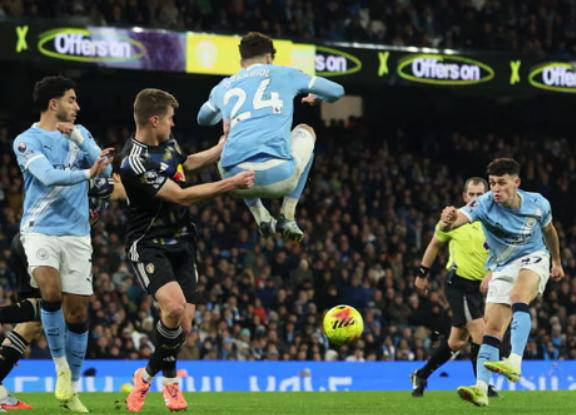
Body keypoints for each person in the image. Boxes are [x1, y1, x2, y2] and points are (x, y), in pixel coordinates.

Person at [119, 88, 254, 413]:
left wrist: (220, 148)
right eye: (170, 118)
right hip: (149, 244)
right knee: (174, 308)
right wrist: (230, 184)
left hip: (183, 242)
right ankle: (170, 383)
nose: (173, 124)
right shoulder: (134, 162)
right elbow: (181, 195)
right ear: (154, 120)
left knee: (184, 326)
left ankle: (145, 375)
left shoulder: (167, 143)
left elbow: (186, 164)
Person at [12, 75, 114, 412]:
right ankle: (60, 370)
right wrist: (87, 173)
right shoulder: (26, 140)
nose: (77, 106)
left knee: (78, 312)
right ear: (53, 104)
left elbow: (107, 170)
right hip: (39, 229)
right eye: (72, 100)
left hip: (77, 233)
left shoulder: (80, 135)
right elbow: (47, 176)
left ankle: (73, 387)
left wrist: (83, 142)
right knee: (50, 291)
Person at [439, 158, 564, 407]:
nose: (496, 189)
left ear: (516, 183)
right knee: (492, 330)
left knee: (518, 296)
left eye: (502, 183)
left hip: (534, 257)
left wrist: (557, 263)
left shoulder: (538, 203)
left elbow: (549, 232)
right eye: (493, 183)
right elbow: (458, 218)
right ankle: (481, 389)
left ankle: (514, 361)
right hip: (502, 265)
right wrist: (449, 217)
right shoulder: (484, 204)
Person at [197, 32, 345, 241]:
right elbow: (337, 91)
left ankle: (261, 215)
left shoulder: (223, 87)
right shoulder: (286, 73)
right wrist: (317, 96)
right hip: (279, 178)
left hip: (235, 182)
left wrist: (223, 113)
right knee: (306, 130)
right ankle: (288, 215)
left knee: (223, 141)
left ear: (241, 62)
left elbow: (203, 119)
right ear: (269, 58)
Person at [0, 177, 122, 411]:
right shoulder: (80, 178)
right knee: (54, 306)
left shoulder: (104, 189)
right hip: (38, 245)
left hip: (41, 247)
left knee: (33, 323)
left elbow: (123, 189)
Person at [411, 177, 498, 397]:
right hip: (459, 285)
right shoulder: (454, 219)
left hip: (480, 288)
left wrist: (492, 272)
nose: (476, 198)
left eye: (480, 194)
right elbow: (434, 245)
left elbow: (501, 250)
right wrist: (422, 273)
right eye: (472, 194)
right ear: (464, 196)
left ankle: (421, 374)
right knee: (481, 334)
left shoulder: (494, 218)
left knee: (457, 341)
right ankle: (483, 386)